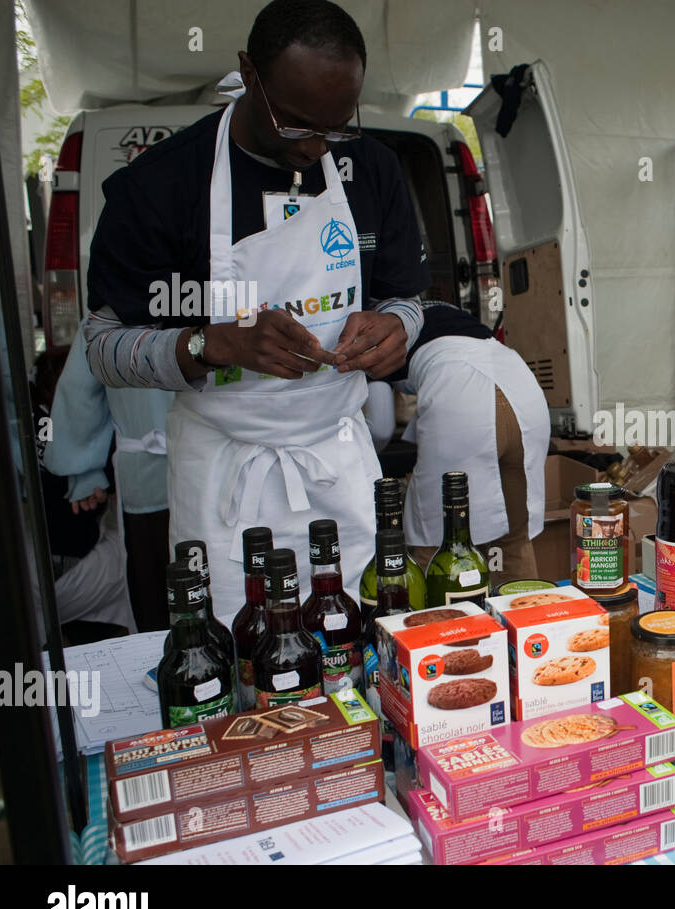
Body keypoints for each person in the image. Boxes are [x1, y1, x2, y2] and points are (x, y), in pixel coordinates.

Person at [81, 1, 429, 614]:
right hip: (225, 475)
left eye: (336, 125)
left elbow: (407, 298)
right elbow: (104, 348)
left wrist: (397, 325)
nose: (316, 146)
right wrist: (206, 345)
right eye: (297, 125)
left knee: (367, 642)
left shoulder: (370, 170)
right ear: (249, 72)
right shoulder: (163, 186)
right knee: (241, 660)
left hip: (340, 469)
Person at [388, 303, 550, 584]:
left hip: (459, 397)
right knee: (512, 540)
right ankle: (524, 622)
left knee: (438, 542)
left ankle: (444, 624)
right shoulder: (444, 313)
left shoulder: (380, 327)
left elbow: (379, 426)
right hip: (523, 391)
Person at [45, 323, 173, 632]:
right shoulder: (222, 288)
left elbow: (79, 391)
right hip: (212, 474)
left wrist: (83, 473)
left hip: (146, 482)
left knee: (155, 602)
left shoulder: (111, 305)